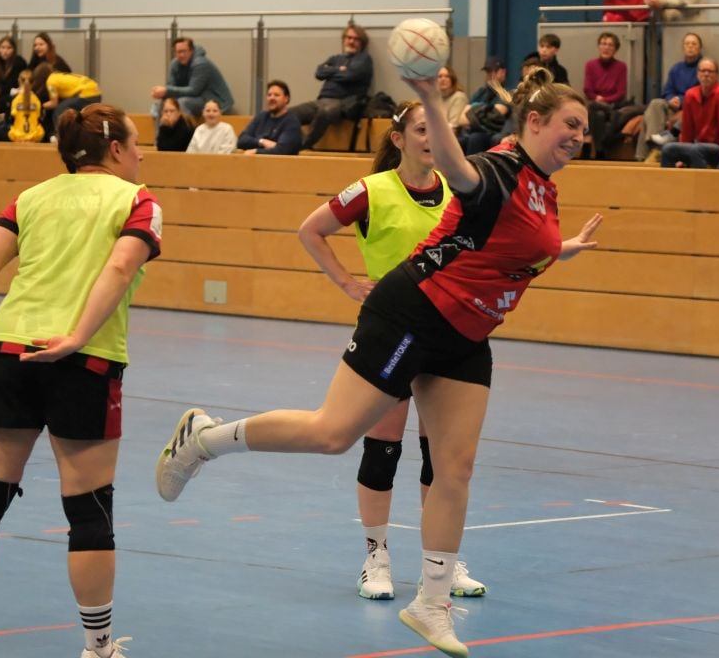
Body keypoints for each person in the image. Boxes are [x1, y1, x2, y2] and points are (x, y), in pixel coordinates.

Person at [155, 67, 602, 657]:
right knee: (331, 434)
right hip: (413, 313)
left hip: (467, 335)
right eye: (571, 124)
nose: (580, 136)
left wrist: (560, 249)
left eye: (585, 129)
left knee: (456, 468)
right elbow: (457, 168)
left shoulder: (545, 187)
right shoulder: (499, 169)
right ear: (535, 122)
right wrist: (431, 99)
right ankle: (205, 439)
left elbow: (509, 247)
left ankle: (431, 604)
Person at [0, 103, 160, 658]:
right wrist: (76, 336)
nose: (142, 156)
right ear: (117, 149)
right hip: (84, 359)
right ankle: (98, 646)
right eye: (137, 145)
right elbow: (120, 267)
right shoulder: (138, 199)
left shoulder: (31, 197)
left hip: (7, 351)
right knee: (89, 507)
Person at [297, 101, 486, 602]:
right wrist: (346, 283)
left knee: (441, 456)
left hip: (447, 333)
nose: (431, 139)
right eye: (422, 130)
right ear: (399, 139)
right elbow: (310, 230)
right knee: (383, 447)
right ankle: (375, 557)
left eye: (437, 130)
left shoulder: (457, 189)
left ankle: (440, 562)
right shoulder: (371, 190)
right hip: (393, 332)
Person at [292, 25, 373, 150]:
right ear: (344, 39)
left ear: (362, 42)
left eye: (356, 39)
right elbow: (319, 73)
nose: (351, 41)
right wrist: (339, 69)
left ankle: (301, 146)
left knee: (325, 112)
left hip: (342, 103)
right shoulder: (335, 59)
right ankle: (290, 143)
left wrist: (330, 72)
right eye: (348, 38)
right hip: (321, 101)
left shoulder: (364, 59)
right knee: (290, 114)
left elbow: (350, 75)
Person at [660, 58, 719, 169]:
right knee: (668, 149)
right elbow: (687, 130)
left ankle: (702, 180)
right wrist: (682, 156)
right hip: (697, 145)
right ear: (697, 74)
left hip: (716, 148)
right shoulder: (690, 95)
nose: (706, 74)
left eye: (710, 71)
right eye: (703, 71)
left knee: (695, 149)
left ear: (717, 75)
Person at [641, 32, 703, 159]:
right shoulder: (676, 68)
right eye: (687, 44)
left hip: (690, 109)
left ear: (699, 48)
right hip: (672, 106)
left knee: (646, 118)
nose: (690, 46)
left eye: (694, 44)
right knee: (655, 103)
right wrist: (671, 99)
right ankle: (656, 146)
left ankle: (653, 152)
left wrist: (680, 100)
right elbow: (667, 91)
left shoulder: (703, 68)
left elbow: (701, 93)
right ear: (683, 47)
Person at [151, 37, 234, 118]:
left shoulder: (201, 63)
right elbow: (171, 87)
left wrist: (166, 90)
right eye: (178, 52)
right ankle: (162, 128)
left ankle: (185, 128)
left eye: (184, 51)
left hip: (214, 100)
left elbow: (194, 90)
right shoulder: (174, 64)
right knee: (161, 105)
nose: (181, 55)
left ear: (191, 51)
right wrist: (163, 94)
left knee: (182, 103)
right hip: (195, 98)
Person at [583, 32, 630, 158]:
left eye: (610, 45)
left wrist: (604, 100)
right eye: (603, 44)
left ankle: (590, 145)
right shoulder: (590, 65)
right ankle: (600, 151)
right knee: (597, 113)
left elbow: (621, 92)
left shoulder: (621, 66)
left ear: (615, 49)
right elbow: (587, 89)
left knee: (594, 108)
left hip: (613, 105)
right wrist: (597, 99)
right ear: (599, 46)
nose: (606, 47)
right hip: (596, 104)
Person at [236, 81, 301, 155]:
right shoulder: (261, 116)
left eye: (276, 95)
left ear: (286, 99)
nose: (271, 98)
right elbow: (241, 140)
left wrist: (256, 151)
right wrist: (262, 142)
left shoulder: (291, 122)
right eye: (269, 95)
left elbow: (283, 150)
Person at [44, 71, 102, 138]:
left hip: (86, 93)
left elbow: (54, 103)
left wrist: (42, 106)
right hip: (95, 91)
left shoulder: (50, 81)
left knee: (59, 111)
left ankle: (60, 136)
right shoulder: (57, 76)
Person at [0, 36, 27, 117]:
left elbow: (24, 82)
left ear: (14, 50)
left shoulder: (19, 62)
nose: (5, 51)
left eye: (9, 48)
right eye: (2, 47)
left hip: (14, 101)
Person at [27, 33, 72, 101]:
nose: (37, 48)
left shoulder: (57, 62)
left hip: (56, 97)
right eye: (35, 45)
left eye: (41, 44)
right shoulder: (35, 61)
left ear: (49, 46)